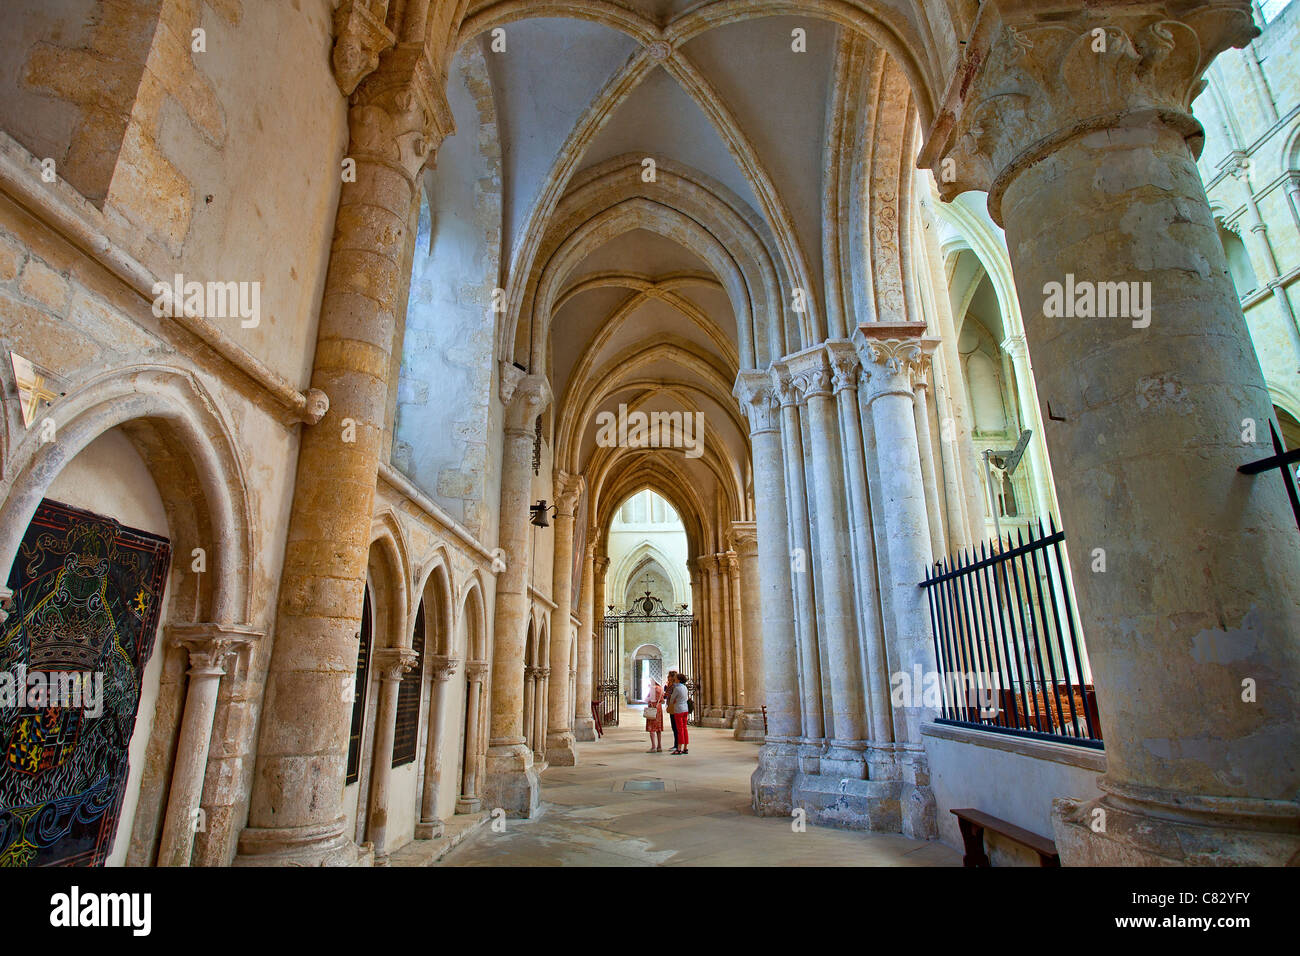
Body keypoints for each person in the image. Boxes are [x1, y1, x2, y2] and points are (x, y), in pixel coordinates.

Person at [668, 671, 689, 755]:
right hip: (685, 709)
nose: (674, 679)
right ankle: (685, 748)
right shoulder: (684, 687)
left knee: (679, 729)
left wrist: (671, 703)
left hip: (679, 710)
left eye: (676, 678)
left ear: (679, 680)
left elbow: (672, 699)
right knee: (684, 729)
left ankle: (679, 748)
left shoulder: (677, 688)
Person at [644, 677, 665, 752]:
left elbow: (647, 699)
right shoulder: (661, 689)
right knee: (658, 727)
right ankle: (659, 746)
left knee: (652, 727)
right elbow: (662, 700)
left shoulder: (652, 689)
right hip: (659, 708)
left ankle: (653, 747)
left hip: (652, 708)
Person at [664, 672, 679, 752]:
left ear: (672, 677)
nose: (667, 677)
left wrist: (667, 695)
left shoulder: (674, 686)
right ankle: (676, 744)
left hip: (674, 708)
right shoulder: (670, 685)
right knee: (674, 727)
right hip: (671, 707)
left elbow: (674, 696)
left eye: (669, 676)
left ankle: (677, 745)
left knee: (676, 727)